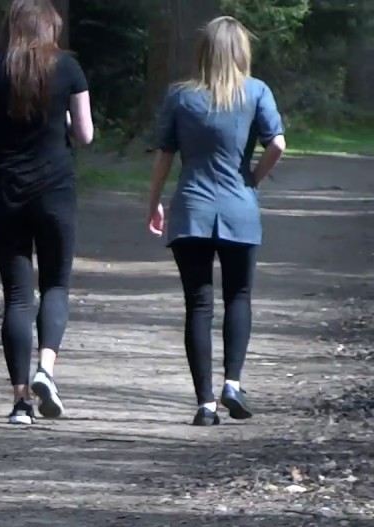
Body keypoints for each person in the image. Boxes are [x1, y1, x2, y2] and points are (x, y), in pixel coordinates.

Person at [0, 0, 94, 425]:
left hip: (4, 192)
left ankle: (20, 402)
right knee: (57, 285)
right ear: (50, 30)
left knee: (18, 297)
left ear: (13, 28)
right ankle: (47, 369)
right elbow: (85, 134)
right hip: (56, 191)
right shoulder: (69, 69)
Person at [146, 16, 285, 427]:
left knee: (199, 304)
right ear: (241, 51)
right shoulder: (256, 91)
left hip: (191, 208)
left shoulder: (180, 97)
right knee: (238, 296)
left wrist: (154, 201)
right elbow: (277, 143)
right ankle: (233, 383)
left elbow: (164, 155)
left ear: (203, 51)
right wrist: (253, 180)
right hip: (239, 209)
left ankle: (205, 404)